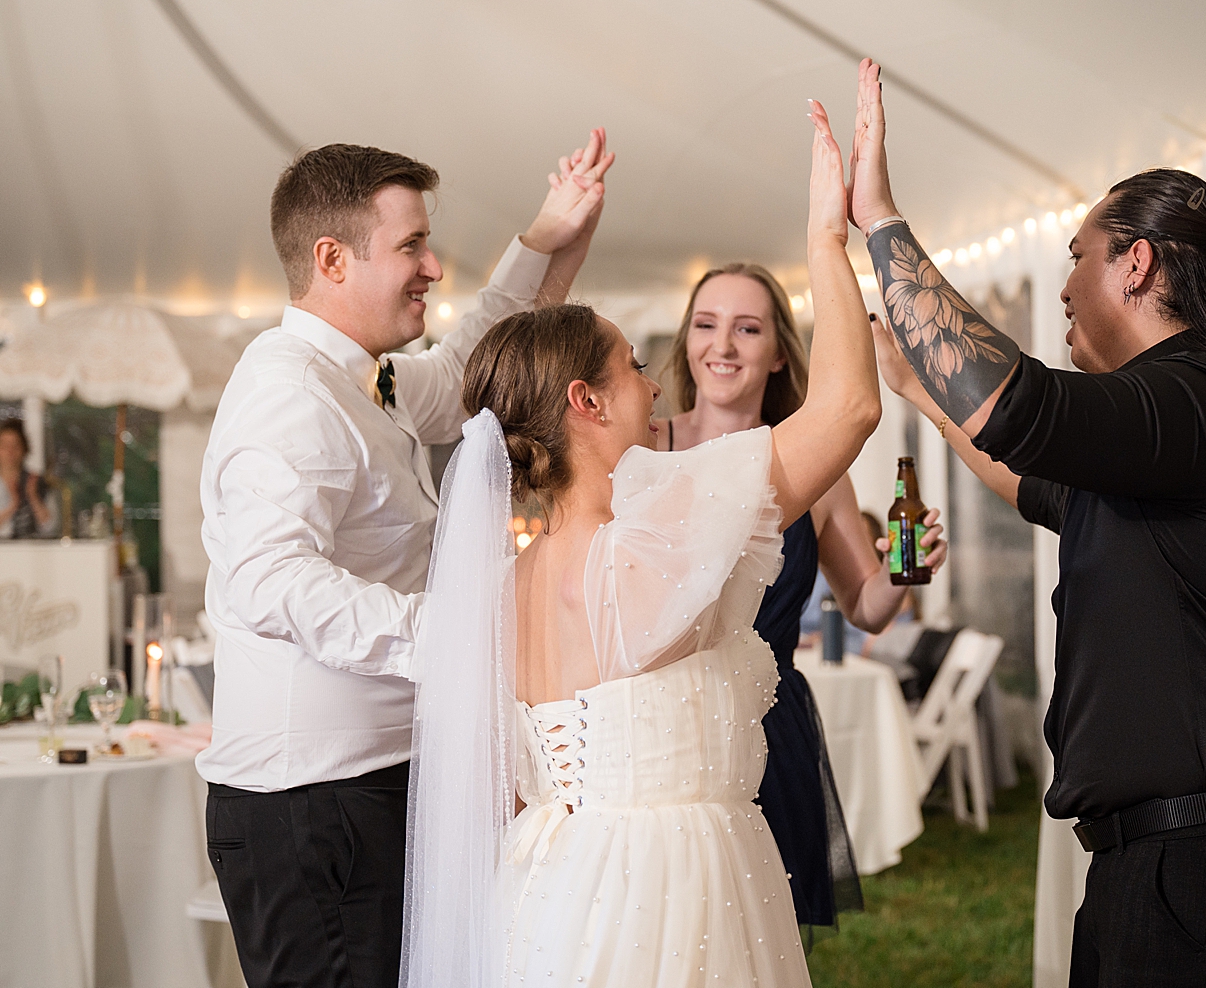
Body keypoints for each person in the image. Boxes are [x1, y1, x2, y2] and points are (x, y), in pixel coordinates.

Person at [847, 59, 1206, 986]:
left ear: (1137, 262)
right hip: (1181, 871)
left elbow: (1026, 410)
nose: (1067, 287)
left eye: (1077, 255)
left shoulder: (1199, 395)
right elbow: (1032, 479)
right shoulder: (1165, 426)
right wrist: (921, 387)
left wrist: (881, 221)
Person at [400, 99, 881, 988]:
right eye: (629, 366)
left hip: (545, 890)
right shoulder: (654, 536)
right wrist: (828, 238)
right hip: (671, 895)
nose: (653, 383)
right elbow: (849, 407)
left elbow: (506, 788)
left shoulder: (503, 586)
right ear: (585, 402)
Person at [197, 131, 613, 988]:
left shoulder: (363, 378)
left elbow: (466, 371)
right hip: (312, 810)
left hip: (369, 790)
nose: (433, 265)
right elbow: (271, 581)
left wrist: (547, 241)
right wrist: (466, 636)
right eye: (410, 245)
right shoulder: (287, 397)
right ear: (332, 259)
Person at [657, 264, 947, 942]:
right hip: (667, 730)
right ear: (687, 340)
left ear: (780, 351)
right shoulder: (645, 447)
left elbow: (865, 606)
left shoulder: (818, 469)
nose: (722, 345)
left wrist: (905, 574)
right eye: (706, 324)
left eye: (747, 328)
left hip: (768, 729)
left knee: (763, 940)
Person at [0, 418, 55, 538]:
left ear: (24, 448)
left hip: (30, 551)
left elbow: (51, 527)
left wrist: (33, 496)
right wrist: (13, 505)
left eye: (15, 445)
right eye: (4, 446)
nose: (10, 451)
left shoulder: (37, 482)